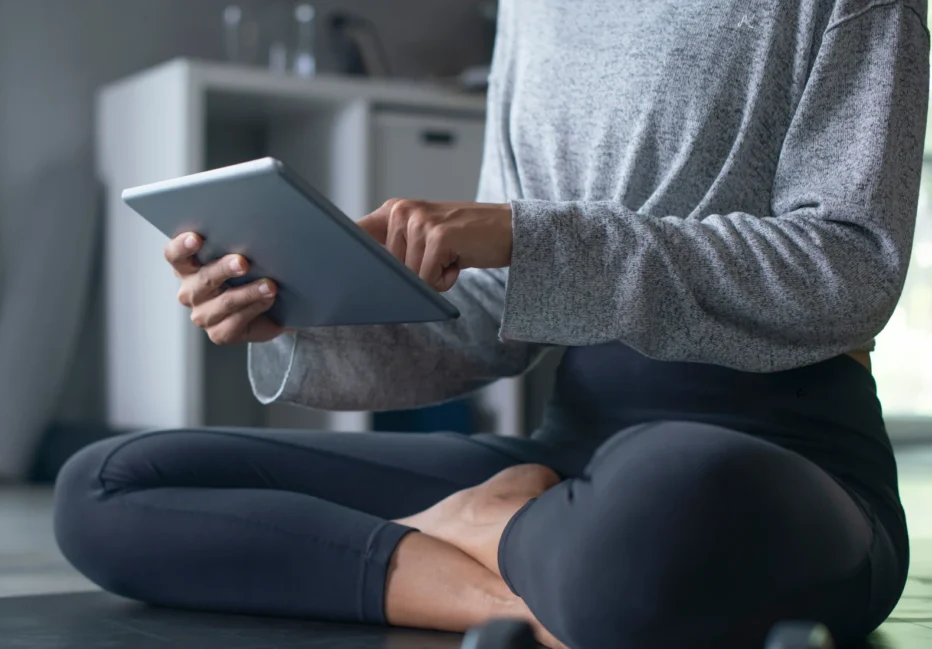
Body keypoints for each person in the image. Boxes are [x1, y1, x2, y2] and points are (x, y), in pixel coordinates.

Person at [53, 1, 929, 647]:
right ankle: (517, 594)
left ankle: (503, 544)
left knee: (666, 499)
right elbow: (489, 324)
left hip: (773, 459)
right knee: (107, 484)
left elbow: (850, 267)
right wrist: (295, 316)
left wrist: (529, 236)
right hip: (563, 465)